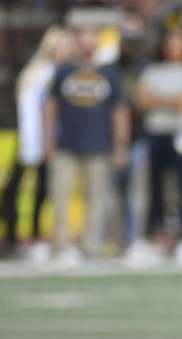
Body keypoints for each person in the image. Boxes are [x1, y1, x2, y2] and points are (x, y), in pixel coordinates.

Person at [44, 25, 131, 268]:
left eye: (91, 37)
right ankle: (61, 245)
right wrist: (48, 140)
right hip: (66, 144)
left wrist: (121, 144)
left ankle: (90, 244)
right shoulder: (63, 71)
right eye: (83, 37)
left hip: (99, 145)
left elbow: (120, 111)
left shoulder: (110, 74)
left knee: (97, 198)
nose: (87, 43)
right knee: (60, 196)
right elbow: (50, 108)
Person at [0, 27, 69, 264]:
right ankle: (23, 236)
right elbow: (35, 111)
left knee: (38, 191)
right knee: (26, 189)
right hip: (35, 139)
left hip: (43, 139)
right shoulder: (40, 72)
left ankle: (28, 235)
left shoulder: (53, 71)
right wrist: (39, 141)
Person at [134, 27, 182, 267]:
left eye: (179, 42)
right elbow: (143, 101)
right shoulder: (152, 71)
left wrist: (159, 99)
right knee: (155, 188)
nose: (174, 47)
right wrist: (171, 100)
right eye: (171, 42)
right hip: (157, 134)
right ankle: (154, 236)